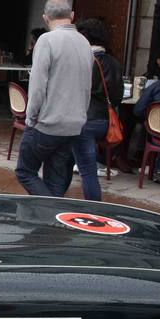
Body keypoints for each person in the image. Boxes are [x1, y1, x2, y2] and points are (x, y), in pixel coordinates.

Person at [14, 0, 92, 196]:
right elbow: (87, 86)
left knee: (25, 171)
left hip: (47, 123)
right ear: (72, 16)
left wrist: (30, 117)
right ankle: (53, 218)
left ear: (45, 18)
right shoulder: (84, 42)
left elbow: (38, 85)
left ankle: (49, 211)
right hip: (74, 124)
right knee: (55, 181)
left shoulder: (47, 40)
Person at [65, 18, 123, 201]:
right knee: (67, 161)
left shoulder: (85, 61)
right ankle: (55, 198)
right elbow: (117, 96)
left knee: (87, 170)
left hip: (84, 121)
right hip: (104, 121)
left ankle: (93, 208)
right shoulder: (114, 62)